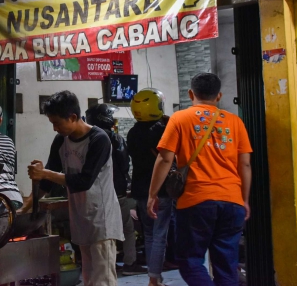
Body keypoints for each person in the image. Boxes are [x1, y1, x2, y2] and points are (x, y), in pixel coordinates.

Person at [147, 73, 252, 286]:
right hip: (232, 202)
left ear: (190, 94)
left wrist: (152, 194)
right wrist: (244, 199)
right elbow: (245, 165)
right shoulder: (235, 122)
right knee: (226, 265)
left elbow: (165, 159)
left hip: (196, 201)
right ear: (219, 96)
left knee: (190, 261)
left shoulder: (180, 118)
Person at [20, 90, 123, 286]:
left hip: (102, 218)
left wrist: (45, 173)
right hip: (80, 216)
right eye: (52, 123)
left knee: (103, 280)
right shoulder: (61, 140)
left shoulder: (99, 139)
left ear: (73, 117)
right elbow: (48, 180)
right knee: (90, 278)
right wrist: (27, 206)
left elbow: (84, 181)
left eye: (57, 123)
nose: (54, 128)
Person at [85, 103, 147, 276]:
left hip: (95, 193)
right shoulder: (115, 139)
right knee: (126, 228)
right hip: (116, 191)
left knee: (101, 231)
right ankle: (129, 263)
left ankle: (104, 265)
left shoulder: (87, 138)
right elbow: (124, 164)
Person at [127, 88, 174, 286]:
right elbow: (171, 158)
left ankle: (152, 277)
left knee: (148, 234)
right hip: (160, 190)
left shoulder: (132, 132)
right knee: (160, 235)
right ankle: (155, 279)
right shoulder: (162, 130)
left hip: (140, 190)